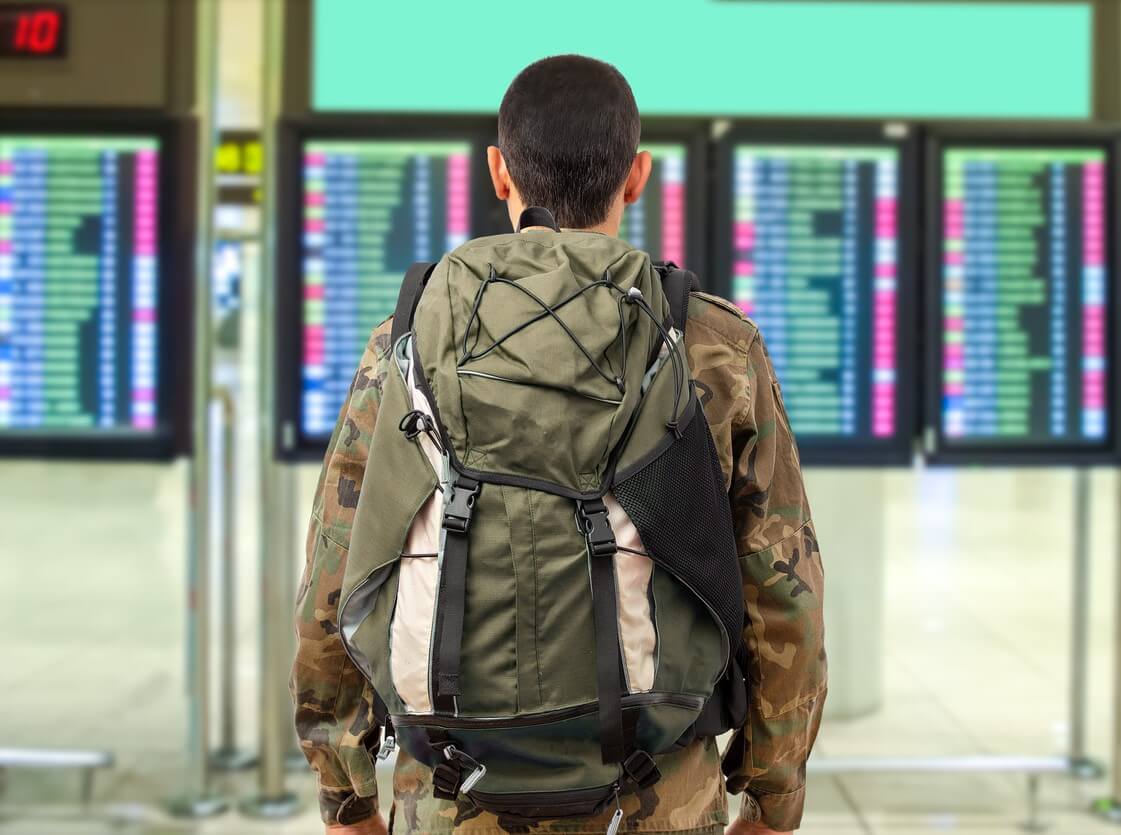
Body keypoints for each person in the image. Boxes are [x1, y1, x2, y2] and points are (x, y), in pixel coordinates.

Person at [292, 54, 826, 835]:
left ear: (498, 174)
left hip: (452, 790)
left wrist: (345, 795)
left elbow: (334, 574)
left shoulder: (407, 341)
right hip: (658, 793)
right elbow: (783, 593)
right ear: (637, 176)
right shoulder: (711, 344)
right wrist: (772, 798)